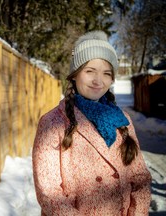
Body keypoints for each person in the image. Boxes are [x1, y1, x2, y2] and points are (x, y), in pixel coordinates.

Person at [32, 30, 152, 216]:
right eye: (90, 71)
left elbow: (140, 178)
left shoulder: (123, 120)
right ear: (74, 75)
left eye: (106, 73)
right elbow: (50, 193)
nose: (98, 81)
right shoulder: (53, 122)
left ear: (112, 79)